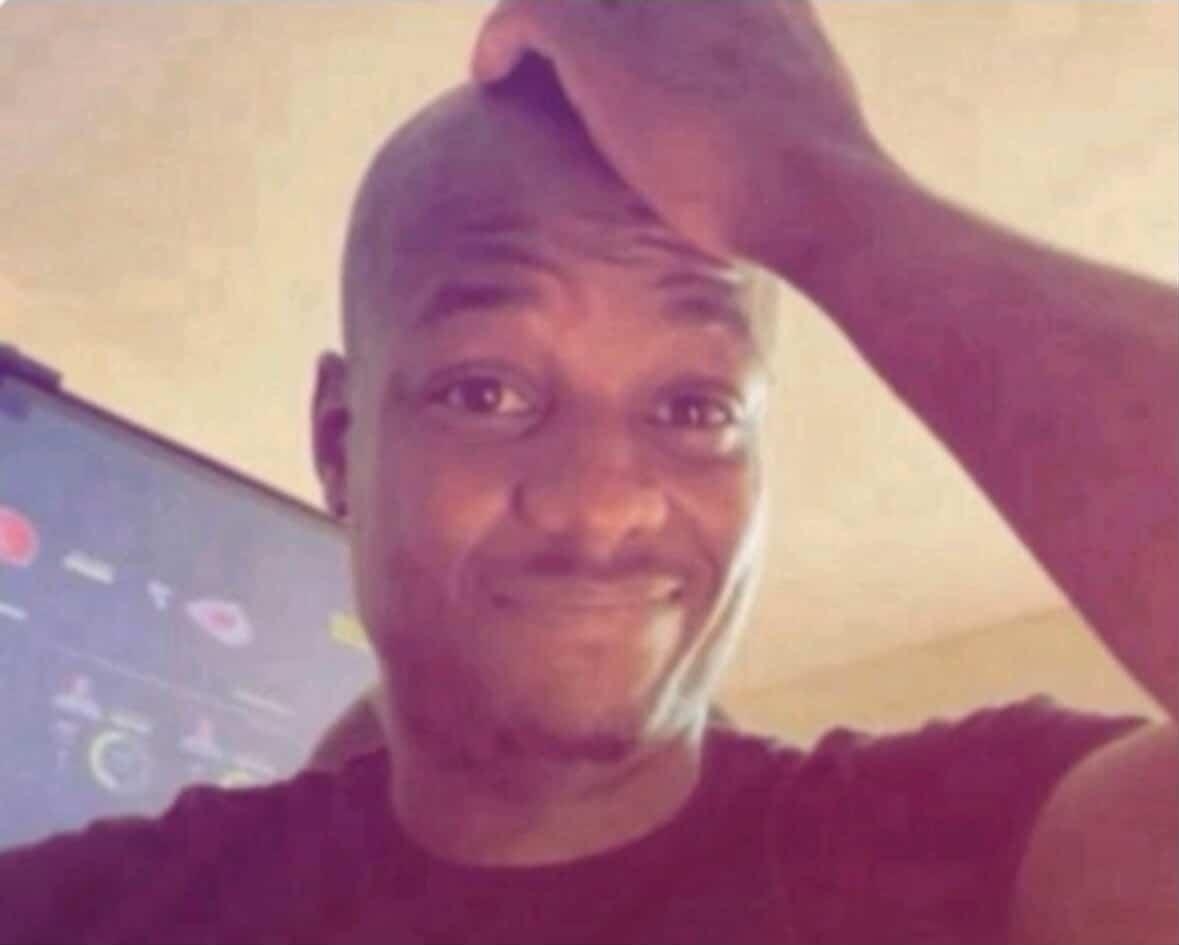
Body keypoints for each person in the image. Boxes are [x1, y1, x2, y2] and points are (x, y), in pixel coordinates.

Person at [2, 3, 1176, 942]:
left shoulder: (963, 855)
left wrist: (821, 187)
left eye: (693, 407)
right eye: (488, 393)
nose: (603, 504)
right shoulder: (102, 913)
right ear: (338, 441)